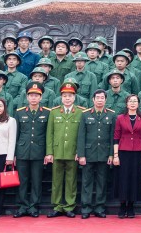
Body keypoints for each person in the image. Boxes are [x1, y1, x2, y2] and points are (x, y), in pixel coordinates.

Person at [46, 81, 83, 217]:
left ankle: (69, 206)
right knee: (56, 180)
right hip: (57, 152)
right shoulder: (54, 112)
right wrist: (49, 152)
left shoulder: (80, 112)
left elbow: (81, 135)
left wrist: (79, 152)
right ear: (61, 97)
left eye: (70, 96)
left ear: (74, 97)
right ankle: (57, 206)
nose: (67, 98)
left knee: (71, 180)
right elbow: (50, 133)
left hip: (72, 152)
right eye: (64, 96)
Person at [13, 82, 50, 218]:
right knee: (22, 181)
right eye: (31, 95)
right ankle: (22, 206)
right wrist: (14, 154)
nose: (33, 98)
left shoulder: (47, 112)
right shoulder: (20, 112)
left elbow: (48, 134)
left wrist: (47, 152)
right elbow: (16, 134)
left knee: (36, 180)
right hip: (22, 151)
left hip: (39, 152)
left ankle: (34, 206)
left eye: (36, 95)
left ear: (41, 98)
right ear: (27, 97)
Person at [78, 89, 115, 219]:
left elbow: (112, 137)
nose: (100, 100)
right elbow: (81, 136)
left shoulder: (111, 115)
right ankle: (86, 208)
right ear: (93, 100)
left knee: (101, 182)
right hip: (88, 153)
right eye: (97, 97)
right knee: (87, 182)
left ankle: (100, 207)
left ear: (106, 100)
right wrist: (81, 154)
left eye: (102, 98)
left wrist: (111, 154)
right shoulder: (85, 114)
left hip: (104, 154)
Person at [114, 93, 141, 218]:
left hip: (137, 152)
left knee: (135, 178)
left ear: (138, 103)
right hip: (123, 151)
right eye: (130, 101)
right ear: (126, 104)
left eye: (135, 101)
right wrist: (116, 155)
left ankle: (131, 206)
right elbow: (116, 137)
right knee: (123, 178)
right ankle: (122, 205)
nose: (133, 103)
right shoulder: (120, 118)